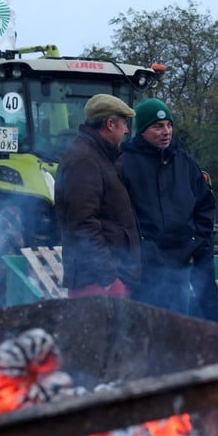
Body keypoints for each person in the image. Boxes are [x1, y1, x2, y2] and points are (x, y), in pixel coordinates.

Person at [119, 98, 218, 323]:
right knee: (147, 326)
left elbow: (205, 205)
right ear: (142, 131)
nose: (165, 131)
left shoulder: (185, 162)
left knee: (177, 325)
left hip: (181, 262)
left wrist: (197, 241)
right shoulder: (125, 164)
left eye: (168, 125)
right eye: (157, 126)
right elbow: (119, 215)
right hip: (145, 267)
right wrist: (142, 248)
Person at [54, 93, 141, 298]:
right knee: (97, 330)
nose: (127, 130)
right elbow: (82, 223)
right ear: (110, 124)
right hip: (96, 282)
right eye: (124, 124)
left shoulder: (98, 156)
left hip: (105, 278)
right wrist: (107, 276)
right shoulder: (84, 160)